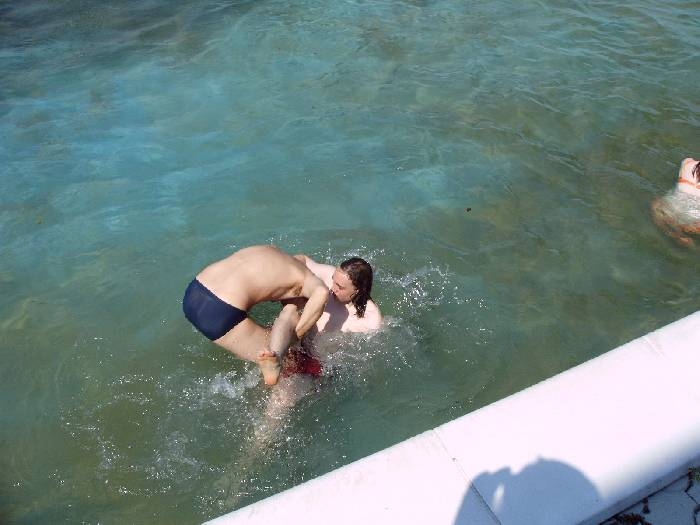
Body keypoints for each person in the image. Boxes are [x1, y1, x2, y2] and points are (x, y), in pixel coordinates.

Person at [182, 245, 329, 386]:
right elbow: (322, 292)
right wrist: (294, 336)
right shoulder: (306, 280)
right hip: (220, 309)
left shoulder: (273, 252)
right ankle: (277, 367)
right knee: (290, 355)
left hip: (195, 291)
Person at [651, 157, 700, 247]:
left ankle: (676, 235)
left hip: (669, 211)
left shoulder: (688, 162)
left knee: (657, 204)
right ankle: (681, 235)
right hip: (694, 222)